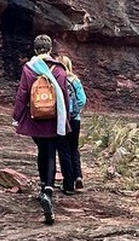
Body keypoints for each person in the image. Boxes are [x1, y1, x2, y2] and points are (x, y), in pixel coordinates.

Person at [12, 34, 72, 225]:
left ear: (35, 49)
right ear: (50, 49)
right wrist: (66, 119)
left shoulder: (29, 68)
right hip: (54, 119)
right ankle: (48, 189)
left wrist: (16, 117)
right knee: (51, 152)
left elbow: (22, 94)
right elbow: (64, 96)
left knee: (41, 151)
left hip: (35, 118)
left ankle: (42, 188)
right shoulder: (60, 69)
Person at [59, 55, 87, 191]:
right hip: (75, 120)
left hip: (62, 120)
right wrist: (75, 112)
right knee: (74, 148)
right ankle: (78, 176)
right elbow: (82, 99)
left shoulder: (57, 79)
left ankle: (68, 183)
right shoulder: (75, 80)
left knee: (64, 150)